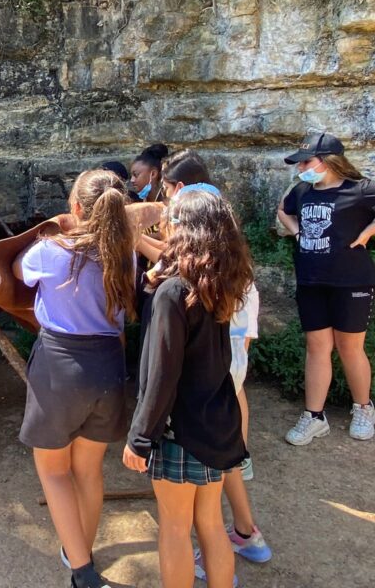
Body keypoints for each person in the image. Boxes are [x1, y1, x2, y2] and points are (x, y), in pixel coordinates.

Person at [12, 169, 136, 588]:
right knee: (89, 470)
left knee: (53, 471)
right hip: (108, 366)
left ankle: (82, 571)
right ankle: (81, 549)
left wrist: (48, 233)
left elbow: (18, 271)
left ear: (77, 208)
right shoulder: (125, 254)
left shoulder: (50, 250)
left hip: (60, 365)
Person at [124, 191, 253, 588]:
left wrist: (140, 437)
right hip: (215, 421)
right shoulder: (220, 282)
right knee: (211, 523)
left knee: (175, 528)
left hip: (179, 429)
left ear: (182, 229)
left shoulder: (174, 292)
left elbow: (162, 375)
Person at [277, 131, 375, 445]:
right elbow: (282, 210)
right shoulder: (302, 190)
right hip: (311, 280)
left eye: (306, 162)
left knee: (349, 347)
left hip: (352, 281)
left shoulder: (359, 189)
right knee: (316, 347)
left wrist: (370, 230)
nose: (301, 168)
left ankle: (363, 408)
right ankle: (314, 416)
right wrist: (297, 232)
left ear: (328, 161)